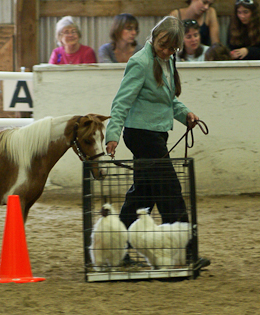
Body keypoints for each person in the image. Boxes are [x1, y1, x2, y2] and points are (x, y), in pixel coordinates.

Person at [105, 16, 210, 269]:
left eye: (171, 48)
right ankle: (187, 253)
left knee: (141, 196)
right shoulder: (140, 62)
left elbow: (168, 100)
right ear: (154, 37)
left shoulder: (167, 60)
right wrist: (112, 134)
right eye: (163, 45)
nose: (165, 51)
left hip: (156, 134)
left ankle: (116, 252)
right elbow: (122, 101)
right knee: (170, 190)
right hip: (142, 136)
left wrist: (185, 114)